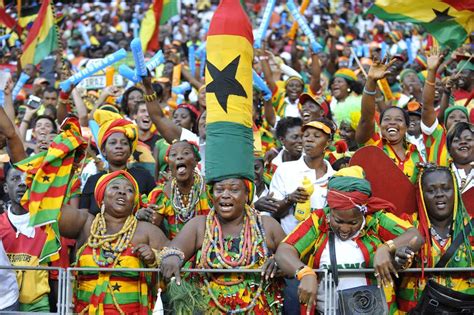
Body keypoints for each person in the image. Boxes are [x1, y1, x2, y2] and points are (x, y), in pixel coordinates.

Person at [275, 166, 423, 314]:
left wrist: (386, 248)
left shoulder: (376, 219)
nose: (345, 229)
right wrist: (305, 273)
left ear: (364, 212)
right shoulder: (318, 220)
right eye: (338, 221)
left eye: (353, 223)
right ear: (330, 210)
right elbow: (284, 251)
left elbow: (415, 236)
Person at [159, 177, 286, 313]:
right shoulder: (199, 225)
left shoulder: (267, 225)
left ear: (247, 194)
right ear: (211, 195)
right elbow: (174, 250)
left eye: (234, 189)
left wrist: (278, 262)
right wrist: (172, 257)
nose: (225, 195)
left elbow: (291, 258)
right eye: (219, 190)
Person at [59, 170, 169, 314]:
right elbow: (50, 211)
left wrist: (154, 257)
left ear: (134, 201)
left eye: (129, 190)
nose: (122, 192)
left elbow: (175, 256)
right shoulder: (86, 224)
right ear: (102, 198)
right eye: (115, 187)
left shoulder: (147, 230)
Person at [397, 165, 473, 314]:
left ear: (456, 192)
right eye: (431, 191)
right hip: (417, 309)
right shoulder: (408, 226)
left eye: (446, 188)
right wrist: (399, 258)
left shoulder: (471, 226)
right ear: (421, 194)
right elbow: (393, 258)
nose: (439, 194)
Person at [356, 57, 424, 183]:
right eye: (387, 119)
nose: (392, 122)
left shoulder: (415, 154)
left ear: (407, 126)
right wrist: (371, 81)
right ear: (380, 125)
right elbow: (366, 118)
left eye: (399, 119)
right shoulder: (373, 146)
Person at [79, 109, 156, 215]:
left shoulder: (144, 176)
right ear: (104, 151)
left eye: (124, 143)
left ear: (130, 150)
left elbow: (155, 210)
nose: (118, 146)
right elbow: (83, 216)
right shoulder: (93, 181)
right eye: (113, 143)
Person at [270, 119, 336, 234]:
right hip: (288, 244)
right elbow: (272, 212)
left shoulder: (335, 177)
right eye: (305, 135)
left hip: (321, 246)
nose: (309, 139)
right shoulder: (285, 170)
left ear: (328, 142)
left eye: (316, 136)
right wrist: (289, 199)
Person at [141, 140, 211, 240]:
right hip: (177, 251)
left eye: (186, 153)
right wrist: (143, 215)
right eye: (173, 154)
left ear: (195, 161)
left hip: (210, 247)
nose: (179, 157)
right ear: (169, 165)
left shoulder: (209, 188)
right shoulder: (162, 193)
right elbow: (152, 223)